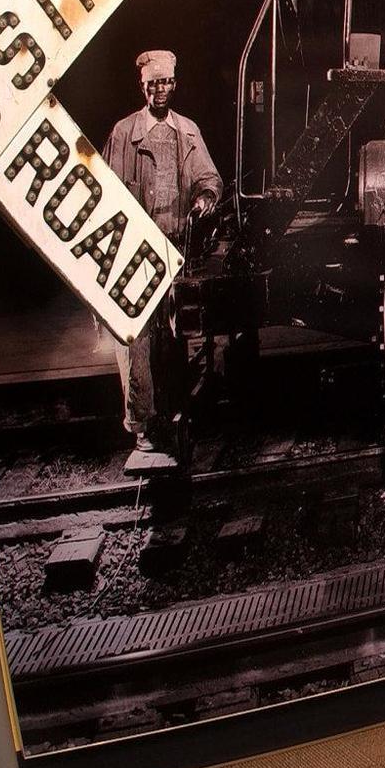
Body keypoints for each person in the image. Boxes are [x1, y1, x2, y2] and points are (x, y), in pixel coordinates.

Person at [106, 50, 222, 464]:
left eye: (166, 83)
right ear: (143, 86)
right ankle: (142, 429)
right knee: (136, 339)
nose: (160, 90)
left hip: (176, 251)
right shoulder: (123, 134)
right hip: (136, 252)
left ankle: (175, 417)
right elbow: (107, 193)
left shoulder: (187, 132)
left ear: (175, 84)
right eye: (153, 84)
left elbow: (209, 176)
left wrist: (206, 196)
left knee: (174, 339)